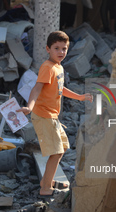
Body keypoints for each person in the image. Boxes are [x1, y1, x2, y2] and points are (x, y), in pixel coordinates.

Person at [17, 31, 93, 197]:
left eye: (64, 49)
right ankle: (45, 188)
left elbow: (60, 88)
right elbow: (37, 87)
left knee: (63, 147)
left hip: (52, 115)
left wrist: (79, 97)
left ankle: (47, 181)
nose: (60, 52)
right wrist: (29, 107)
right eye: (56, 48)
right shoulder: (47, 67)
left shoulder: (59, 67)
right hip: (43, 115)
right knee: (56, 151)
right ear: (48, 49)